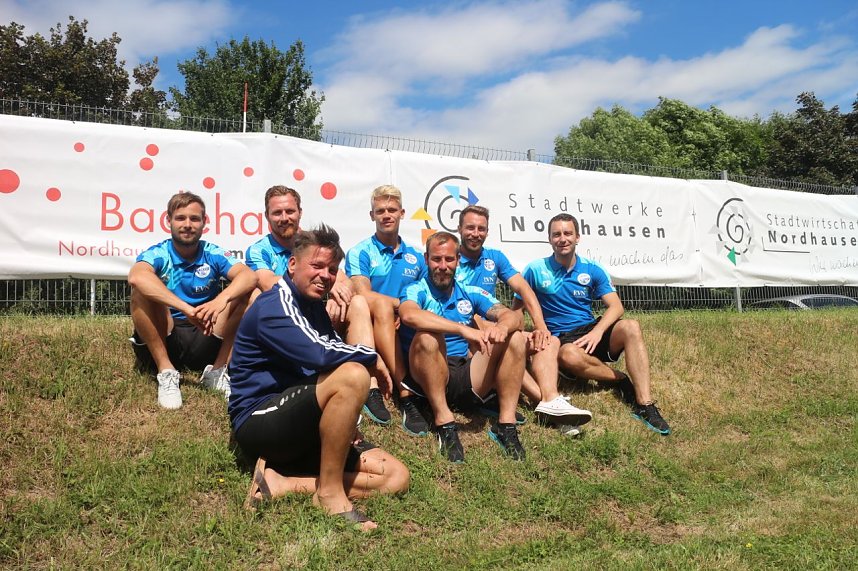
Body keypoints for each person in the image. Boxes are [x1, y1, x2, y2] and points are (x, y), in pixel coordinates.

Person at [229, 225, 409, 531]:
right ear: (292, 264)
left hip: (302, 424)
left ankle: (283, 482)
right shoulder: (275, 304)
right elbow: (320, 354)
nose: (325, 275)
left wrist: (345, 423)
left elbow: (327, 356)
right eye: (317, 266)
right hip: (261, 421)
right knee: (353, 373)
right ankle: (329, 495)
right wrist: (371, 356)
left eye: (332, 270)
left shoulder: (313, 306)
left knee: (395, 477)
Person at [515, 213, 671, 435]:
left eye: (568, 233)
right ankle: (619, 379)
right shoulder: (535, 269)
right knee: (569, 354)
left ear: (578, 237)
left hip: (590, 331)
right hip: (561, 339)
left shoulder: (592, 269)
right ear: (549, 239)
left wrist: (597, 332)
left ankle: (645, 404)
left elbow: (616, 307)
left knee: (631, 326)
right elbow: (517, 309)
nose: (562, 239)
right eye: (556, 234)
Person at [244, 185, 383, 415]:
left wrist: (336, 289)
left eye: (290, 211)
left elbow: (345, 281)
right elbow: (270, 284)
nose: (284, 218)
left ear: (300, 212)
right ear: (266, 216)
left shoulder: (314, 242)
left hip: (319, 316)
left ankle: (370, 386)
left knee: (357, 302)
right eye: (277, 213)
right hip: (285, 322)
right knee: (255, 297)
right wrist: (326, 288)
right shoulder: (259, 250)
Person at [456, 205, 592, 431]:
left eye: (481, 228)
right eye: (470, 228)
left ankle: (550, 398)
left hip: (496, 330)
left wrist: (541, 326)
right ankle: (549, 404)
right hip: (467, 340)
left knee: (548, 341)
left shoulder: (494, 257)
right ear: (459, 228)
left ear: (487, 231)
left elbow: (524, 289)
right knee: (511, 340)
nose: (476, 233)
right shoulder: (448, 260)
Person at [399, 231, 528, 463]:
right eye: (436, 259)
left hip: (465, 373)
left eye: (449, 259)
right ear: (426, 259)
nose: (443, 266)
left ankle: (506, 425)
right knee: (428, 337)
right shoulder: (415, 289)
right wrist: (462, 329)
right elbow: (409, 315)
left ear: (458, 260)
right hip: (429, 375)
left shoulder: (470, 291)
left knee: (516, 338)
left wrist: (502, 327)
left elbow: (512, 316)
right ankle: (444, 422)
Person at [128, 191, 256, 409]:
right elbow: (136, 277)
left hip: (205, 332)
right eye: (180, 218)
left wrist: (221, 300)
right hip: (167, 334)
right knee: (140, 291)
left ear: (204, 222)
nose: (187, 225)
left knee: (251, 293)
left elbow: (249, 276)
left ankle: (217, 371)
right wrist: (186, 309)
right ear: (168, 221)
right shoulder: (159, 253)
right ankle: (166, 371)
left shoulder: (212, 252)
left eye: (194, 219)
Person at [345, 184, 430, 437]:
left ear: (402, 213)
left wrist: (406, 311)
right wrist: (400, 307)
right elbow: (363, 294)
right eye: (380, 210)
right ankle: (406, 395)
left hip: (406, 326)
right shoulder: (360, 251)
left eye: (392, 210)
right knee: (381, 306)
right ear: (372, 215)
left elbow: (426, 296)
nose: (386, 215)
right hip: (371, 326)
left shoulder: (417, 256)